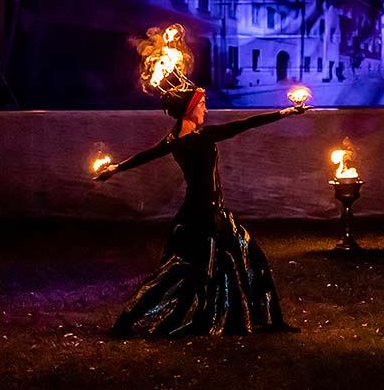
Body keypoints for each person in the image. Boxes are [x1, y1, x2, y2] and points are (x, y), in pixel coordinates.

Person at [95, 85, 310, 338]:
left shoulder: (174, 139)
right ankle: (126, 322)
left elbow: (146, 155)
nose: (206, 110)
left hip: (208, 213)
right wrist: (286, 113)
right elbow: (245, 124)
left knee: (249, 259)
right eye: (201, 105)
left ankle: (270, 320)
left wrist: (116, 168)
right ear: (189, 110)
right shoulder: (199, 138)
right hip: (203, 217)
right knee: (179, 274)